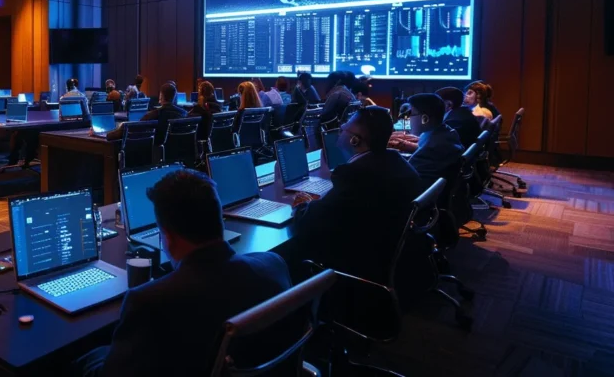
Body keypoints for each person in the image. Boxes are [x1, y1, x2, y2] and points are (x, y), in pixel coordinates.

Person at [78, 169, 294, 377]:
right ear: (218, 218)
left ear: (168, 238)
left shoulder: (148, 302)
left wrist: (93, 358)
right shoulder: (274, 265)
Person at [290, 107, 423, 284]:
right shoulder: (399, 163)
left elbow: (310, 223)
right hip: (388, 252)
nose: (341, 128)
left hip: (359, 261)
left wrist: (302, 206)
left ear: (355, 140)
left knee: (290, 249)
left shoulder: (355, 175)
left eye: (345, 127)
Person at [405, 93, 464, 183]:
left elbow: (408, 180)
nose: (408, 118)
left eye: (411, 113)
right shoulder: (447, 132)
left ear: (424, 118)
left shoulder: (431, 149)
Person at [100, 82, 185, 141]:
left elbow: (132, 130)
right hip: (177, 156)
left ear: (161, 97)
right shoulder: (184, 114)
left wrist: (107, 135)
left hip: (154, 154)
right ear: (174, 97)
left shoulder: (153, 115)